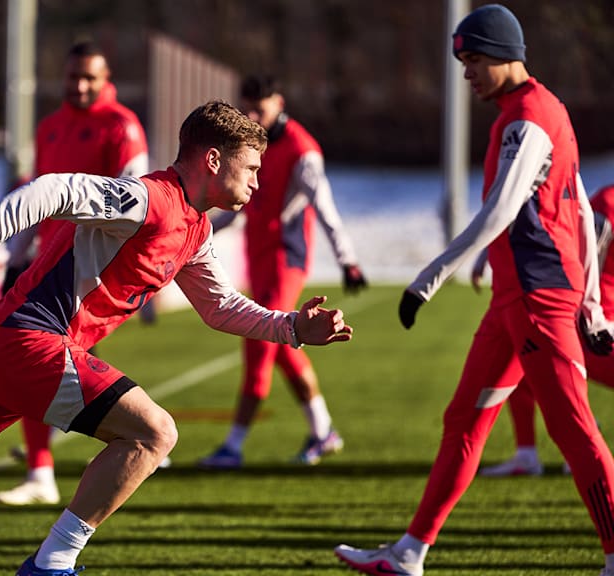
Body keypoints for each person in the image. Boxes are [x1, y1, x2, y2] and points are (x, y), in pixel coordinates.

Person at [0, 100, 353, 576]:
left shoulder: (197, 228)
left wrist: (292, 328)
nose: (258, 179)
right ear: (212, 158)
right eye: (251, 167)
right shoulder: (147, 198)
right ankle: (52, 564)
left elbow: (220, 307)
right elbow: (53, 189)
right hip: (27, 343)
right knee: (155, 432)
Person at [334, 6, 614, 576]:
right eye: (464, 62)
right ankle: (411, 552)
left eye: (475, 60)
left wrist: (426, 279)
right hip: (517, 300)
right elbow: (580, 208)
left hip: (538, 300)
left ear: (507, 54)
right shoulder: (534, 110)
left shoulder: (529, 117)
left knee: (573, 429)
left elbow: (500, 210)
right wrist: (587, 301)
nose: (467, 74)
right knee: (464, 420)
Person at [0, 40, 151, 506]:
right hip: (43, 266)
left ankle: (133, 437)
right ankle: (43, 468)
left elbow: (135, 196)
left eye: (90, 78)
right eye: (72, 77)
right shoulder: (51, 127)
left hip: (88, 271)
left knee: (54, 370)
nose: (80, 86)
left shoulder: (121, 126)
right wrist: (14, 252)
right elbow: (35, 197)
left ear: (106, 79)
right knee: (32, 367)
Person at [197, 73, 367, 470]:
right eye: (247, 108)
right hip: (258, 258)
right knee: (284, 343)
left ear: (280, 102)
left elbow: (323, 207)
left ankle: (233, 446)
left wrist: (348, 259)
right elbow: (241, 207)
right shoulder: (248, 145)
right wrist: (195, 227)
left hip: (285, 259)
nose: (253, 115)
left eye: (260, 107)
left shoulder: (301, 149)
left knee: (259, 340)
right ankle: (323, 430)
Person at [477, 183, 614, 478]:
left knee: (523, 348)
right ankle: (529, 454)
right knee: (522, 352)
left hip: (597, 329)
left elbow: (579, 248)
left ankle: (579, 435)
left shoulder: (606, 200)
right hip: (598, 324)